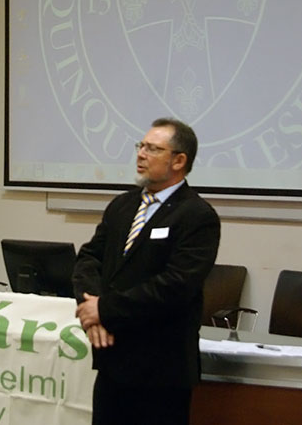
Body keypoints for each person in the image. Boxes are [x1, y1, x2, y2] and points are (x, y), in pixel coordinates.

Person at [72, 117, 220, 425]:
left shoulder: (197, 216)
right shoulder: (122, 205)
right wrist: (91, 308)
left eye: (153, 149)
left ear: (179, 161)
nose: (141, 154)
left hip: (161, 372)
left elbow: (175, 286)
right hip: (113, 361)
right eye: (141, 146)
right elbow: (89, 258)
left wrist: (105, 309)